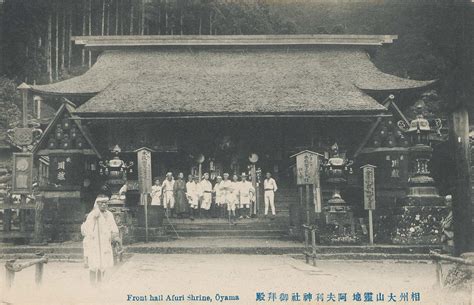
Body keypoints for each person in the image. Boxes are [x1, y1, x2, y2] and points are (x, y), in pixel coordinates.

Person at [81, 194, 119, 285]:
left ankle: (100, 283)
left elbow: (114, 227)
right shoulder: (93, 214)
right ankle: (93, 285)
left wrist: (114, 235)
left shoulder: (109, 214)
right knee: (94, 264)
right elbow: (87, 230)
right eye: (101, 203)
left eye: (105, 203)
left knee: (104, 264)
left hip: (105, 242)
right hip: (95, 243)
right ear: (97, 204)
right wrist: (95, 218)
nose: (104, 205)